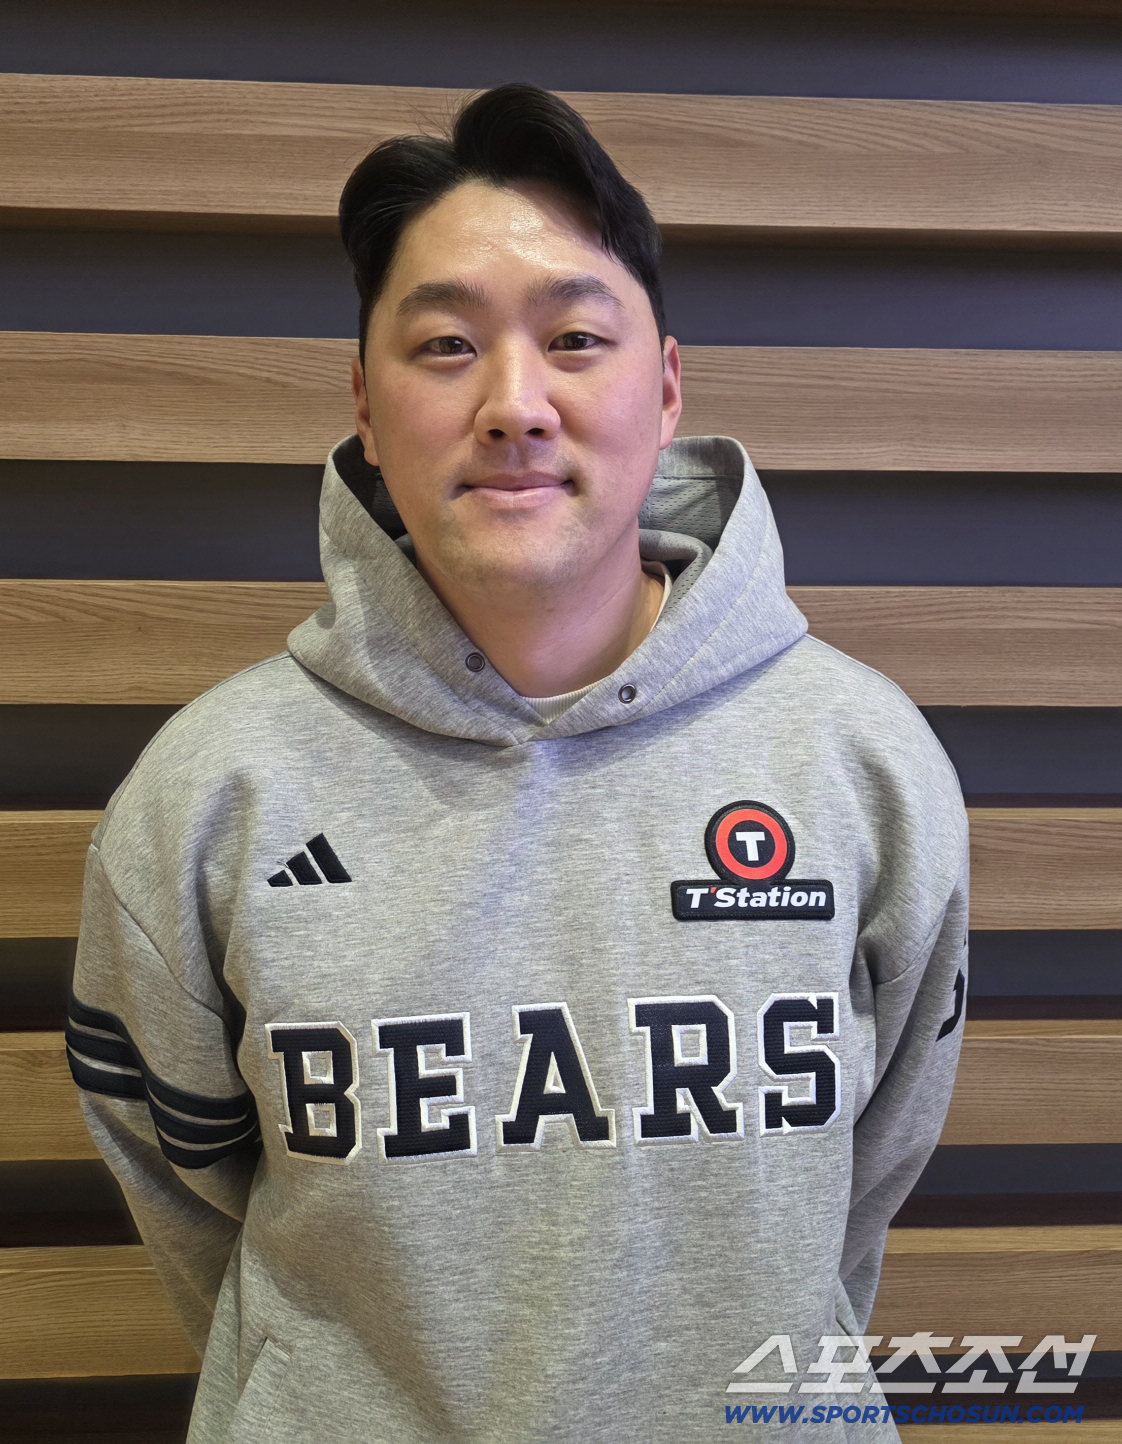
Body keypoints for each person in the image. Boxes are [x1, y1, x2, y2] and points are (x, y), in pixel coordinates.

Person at [67, 83, 969, 1442]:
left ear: (665, 387)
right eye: (445, 345)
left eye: (576, 339)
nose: (514, 404)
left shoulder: (862, 762)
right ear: (365, 405)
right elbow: (187, 1198)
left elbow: (866, 1176)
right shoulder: (208, 797)